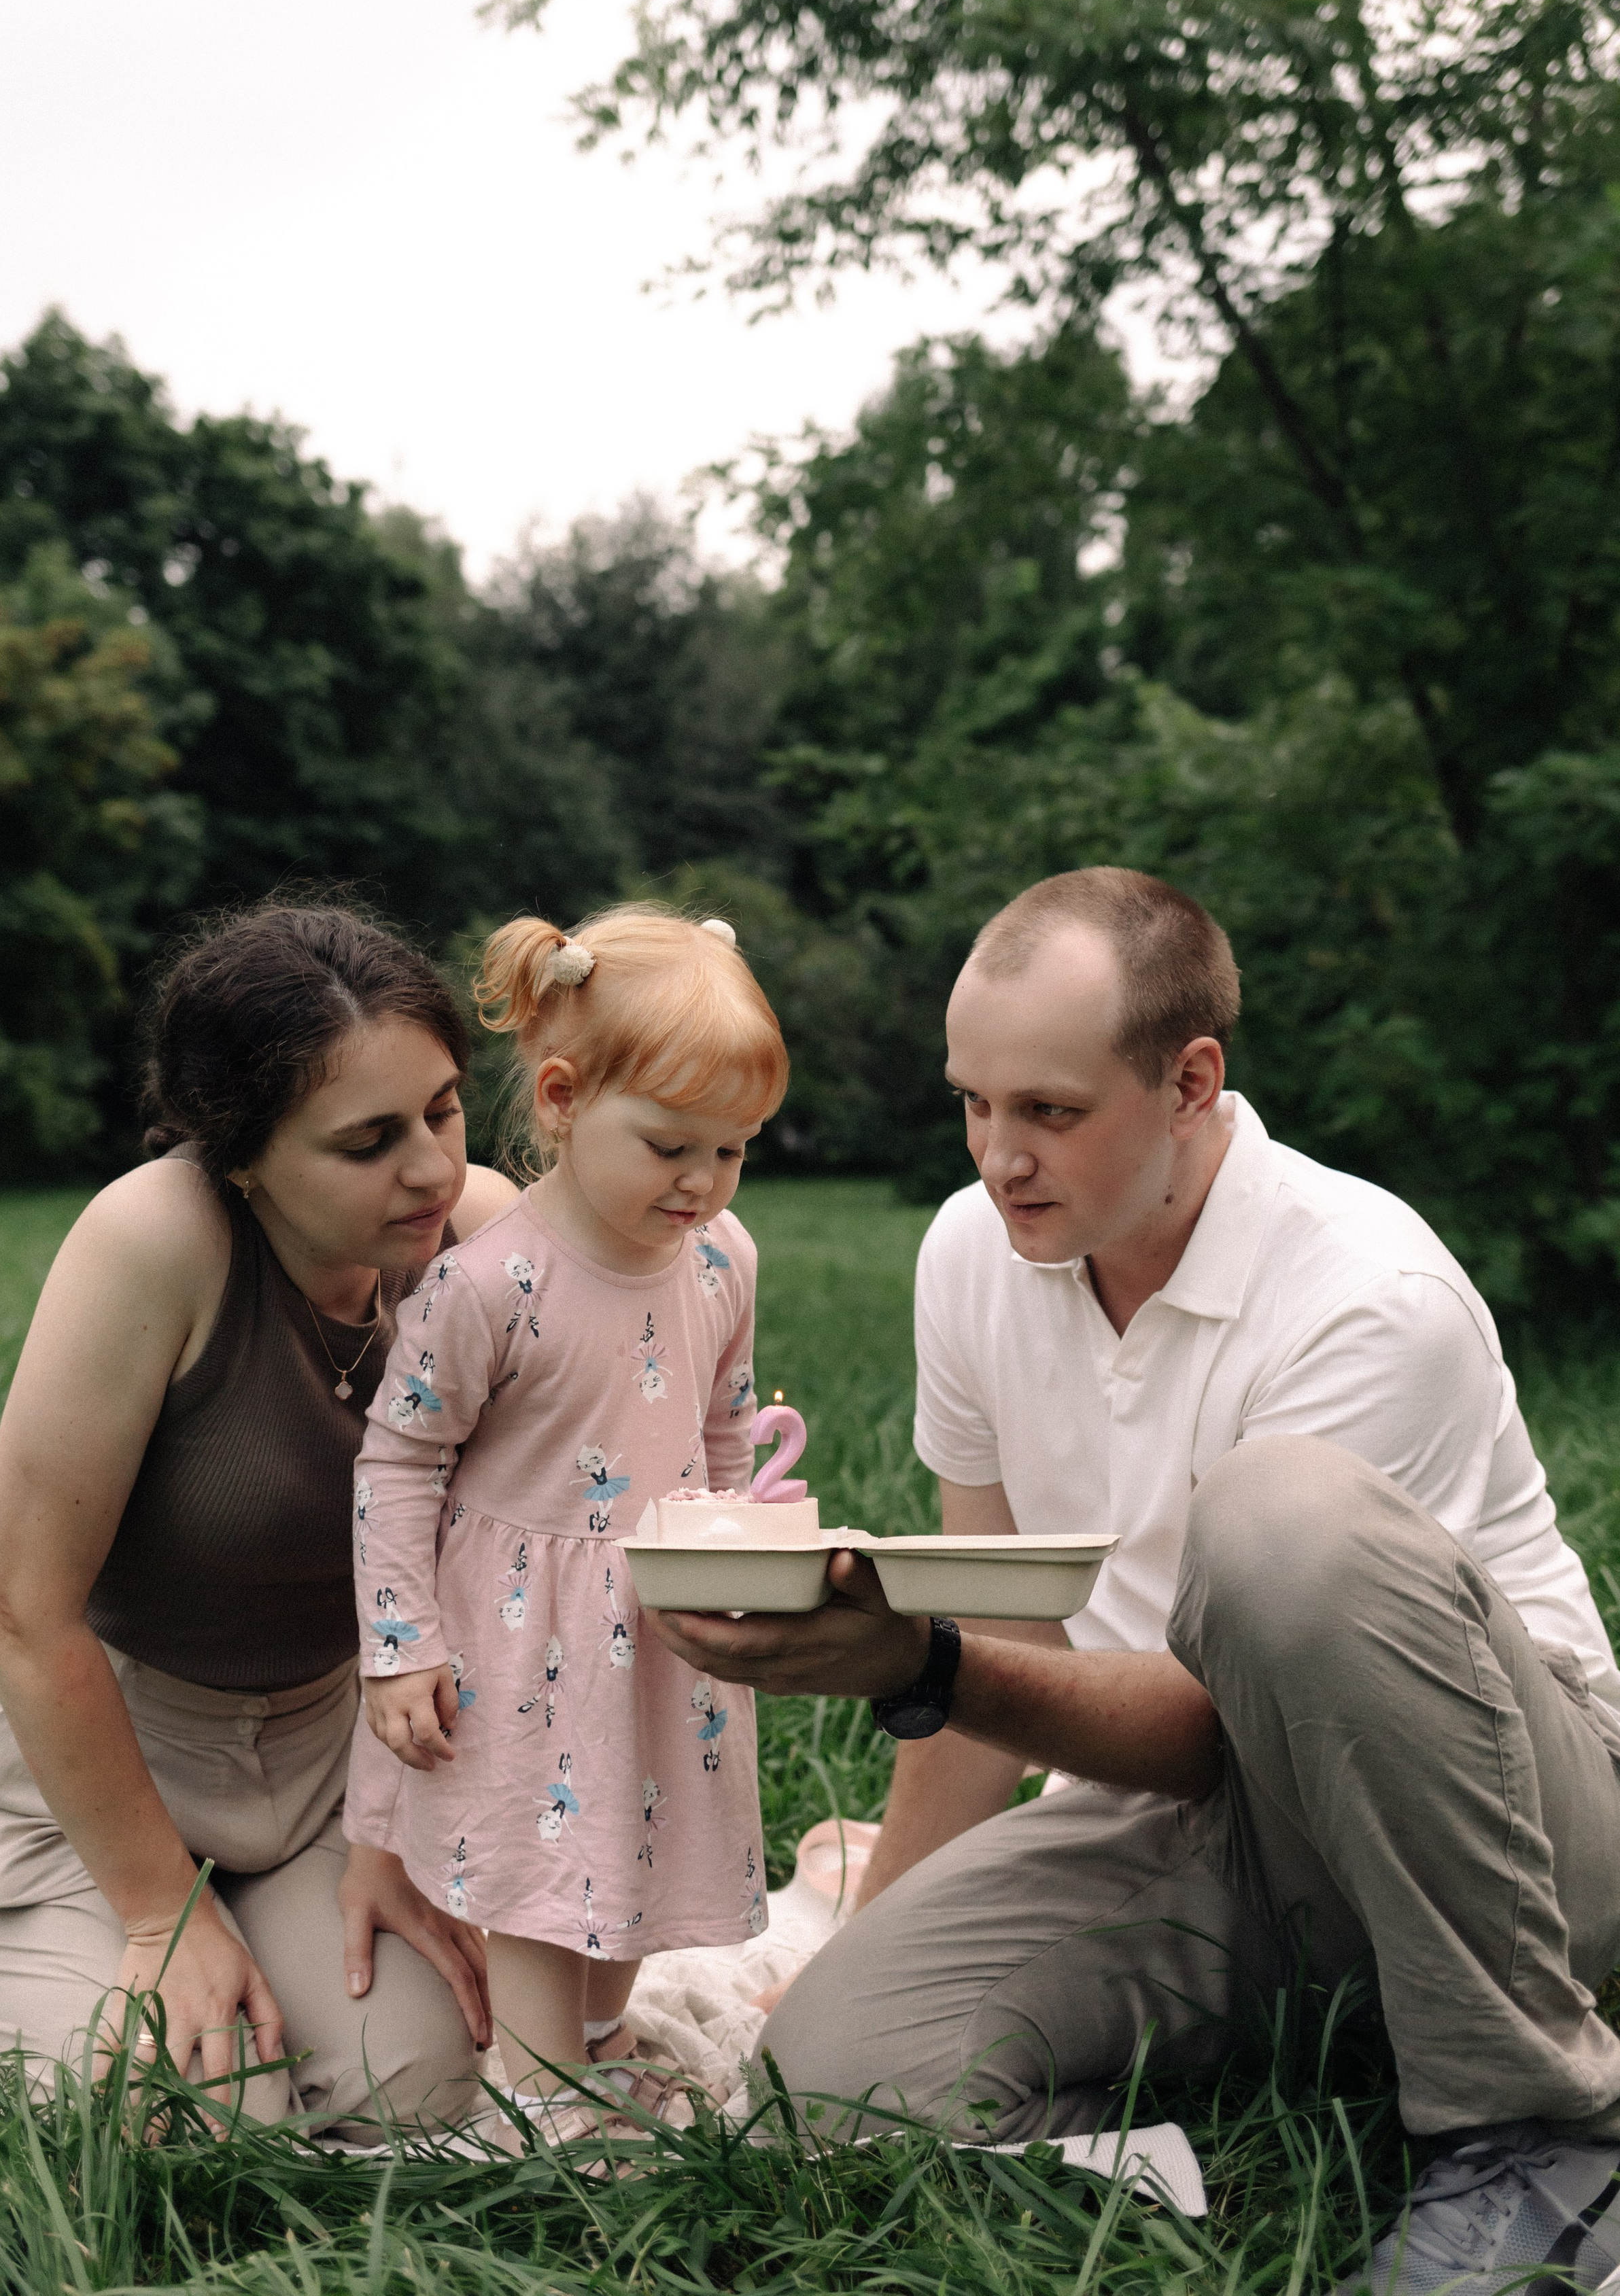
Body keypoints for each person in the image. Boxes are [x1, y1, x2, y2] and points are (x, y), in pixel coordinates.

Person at [646, 869, 1620, 2296]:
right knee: (834, 2088)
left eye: (1049, 1111)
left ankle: (1537, 2134)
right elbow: (997, 1622)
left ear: (1189, 1082)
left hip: (1502, 1831)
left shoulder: (1364, 1295)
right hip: (1200, 1825)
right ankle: (1246, 2144)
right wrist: (878, 1928)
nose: (998, 1156)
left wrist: (916, 1669)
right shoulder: (971, 1255)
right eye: (971, 1103)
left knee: (1273, 1519)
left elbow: (1175, 1707)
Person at [0, 899, 515, 2134]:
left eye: (443, 1110)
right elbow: (20, 1607)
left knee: (429, 2088)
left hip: (326, 1765)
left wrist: (394, 1836)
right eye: (369, 1140)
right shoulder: (156, 1240)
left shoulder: (480, 1246)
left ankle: (234, 1943)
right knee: (192, 2127)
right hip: (75, 1776)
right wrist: (156, 1912)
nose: (435, 1167)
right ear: (241, 1156)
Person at [347, 905, 787, 2154]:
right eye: (669, 1146)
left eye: (734, 1150)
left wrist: (734, 1554)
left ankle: (597, 2045)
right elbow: (398, 1462)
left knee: (637, 1845)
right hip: (518, 1636)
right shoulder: (491, 1282)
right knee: (551, 1873)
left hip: (654, 1616)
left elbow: (723, 1423)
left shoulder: (721, 1260)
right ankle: (538, 2107)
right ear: (559, 1098)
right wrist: (400, 1644)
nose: (702, 1182)